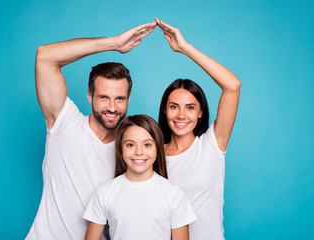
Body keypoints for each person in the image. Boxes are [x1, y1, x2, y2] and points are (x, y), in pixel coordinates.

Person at [26, 21, 157, 240]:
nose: (113, 108)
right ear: (90, 95)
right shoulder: (64, 122)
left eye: (120, 99)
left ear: (128, 99)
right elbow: (45, 57)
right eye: (104, 97)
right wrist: (114, 43)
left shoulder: (133, 153)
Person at [156, 18, 241, 240]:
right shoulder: (151, 155)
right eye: (174, 107)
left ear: (201, 112)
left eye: (190, 107)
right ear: (165, 111)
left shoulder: (212, 145)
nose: (181, 115)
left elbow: (232, 86)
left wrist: (185, 48)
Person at [83, 115, 197, 240]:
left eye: (147, 145)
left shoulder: (174, 194)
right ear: (121, 149)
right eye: (130, 145)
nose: (138, 152)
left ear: (158, 149)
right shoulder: (104, 192)